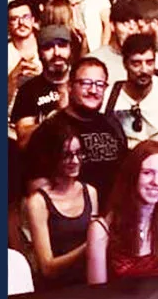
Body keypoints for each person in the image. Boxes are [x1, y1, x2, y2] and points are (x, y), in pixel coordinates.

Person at [87, 140, 158, 284]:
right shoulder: (101, 230)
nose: (156, 182)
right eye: (147, 173)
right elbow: (97, 295)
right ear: (132, 175)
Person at [20, 114, 100, 288]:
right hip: (56, 290)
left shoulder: (90, 192)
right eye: (67, 155)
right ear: (52, 157)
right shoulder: (38, 202)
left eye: (79, 153)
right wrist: (91, 245)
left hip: (89, 284)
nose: (75, 161)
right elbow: (47, 268)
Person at [55, 56, 131, 202]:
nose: (93, 90)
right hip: (72, 212)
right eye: (86, 83)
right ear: (70, 86)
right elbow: (38, 185)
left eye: (100, 84)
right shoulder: (52, 128)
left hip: (112, 211)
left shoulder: (112, 124)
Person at [106, 32, 158, 146]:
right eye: (136, 64)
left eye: (149, 63)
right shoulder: (110, 96)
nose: (144, 70)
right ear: (125, 64)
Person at [10, 25, 76, 146]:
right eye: (48, 47)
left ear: (70, 49)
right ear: (40, 53)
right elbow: (23, 141)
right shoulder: (28, 90)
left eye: (62, 45)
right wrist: (58, 116)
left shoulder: (84, 84)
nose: (57, 53)